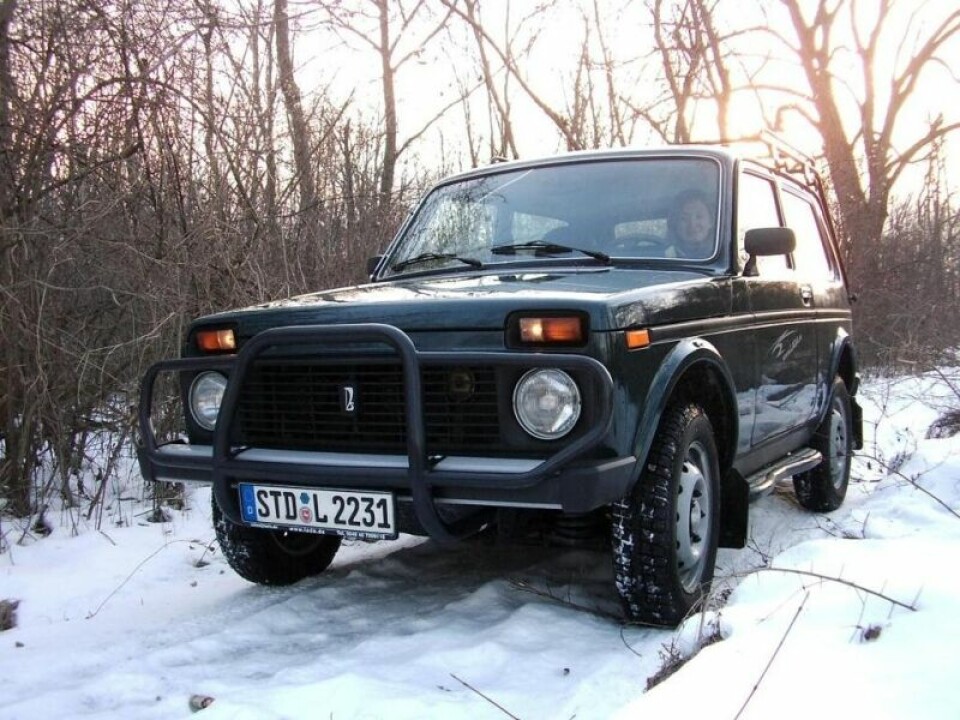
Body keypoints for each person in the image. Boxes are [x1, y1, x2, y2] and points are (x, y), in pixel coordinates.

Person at [665, 190, 715, 259]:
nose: (692, 224)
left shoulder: (724, 256)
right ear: (675, 224)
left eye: (699, 216)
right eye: (684, 218)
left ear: (711, 221)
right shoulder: (665, 257)